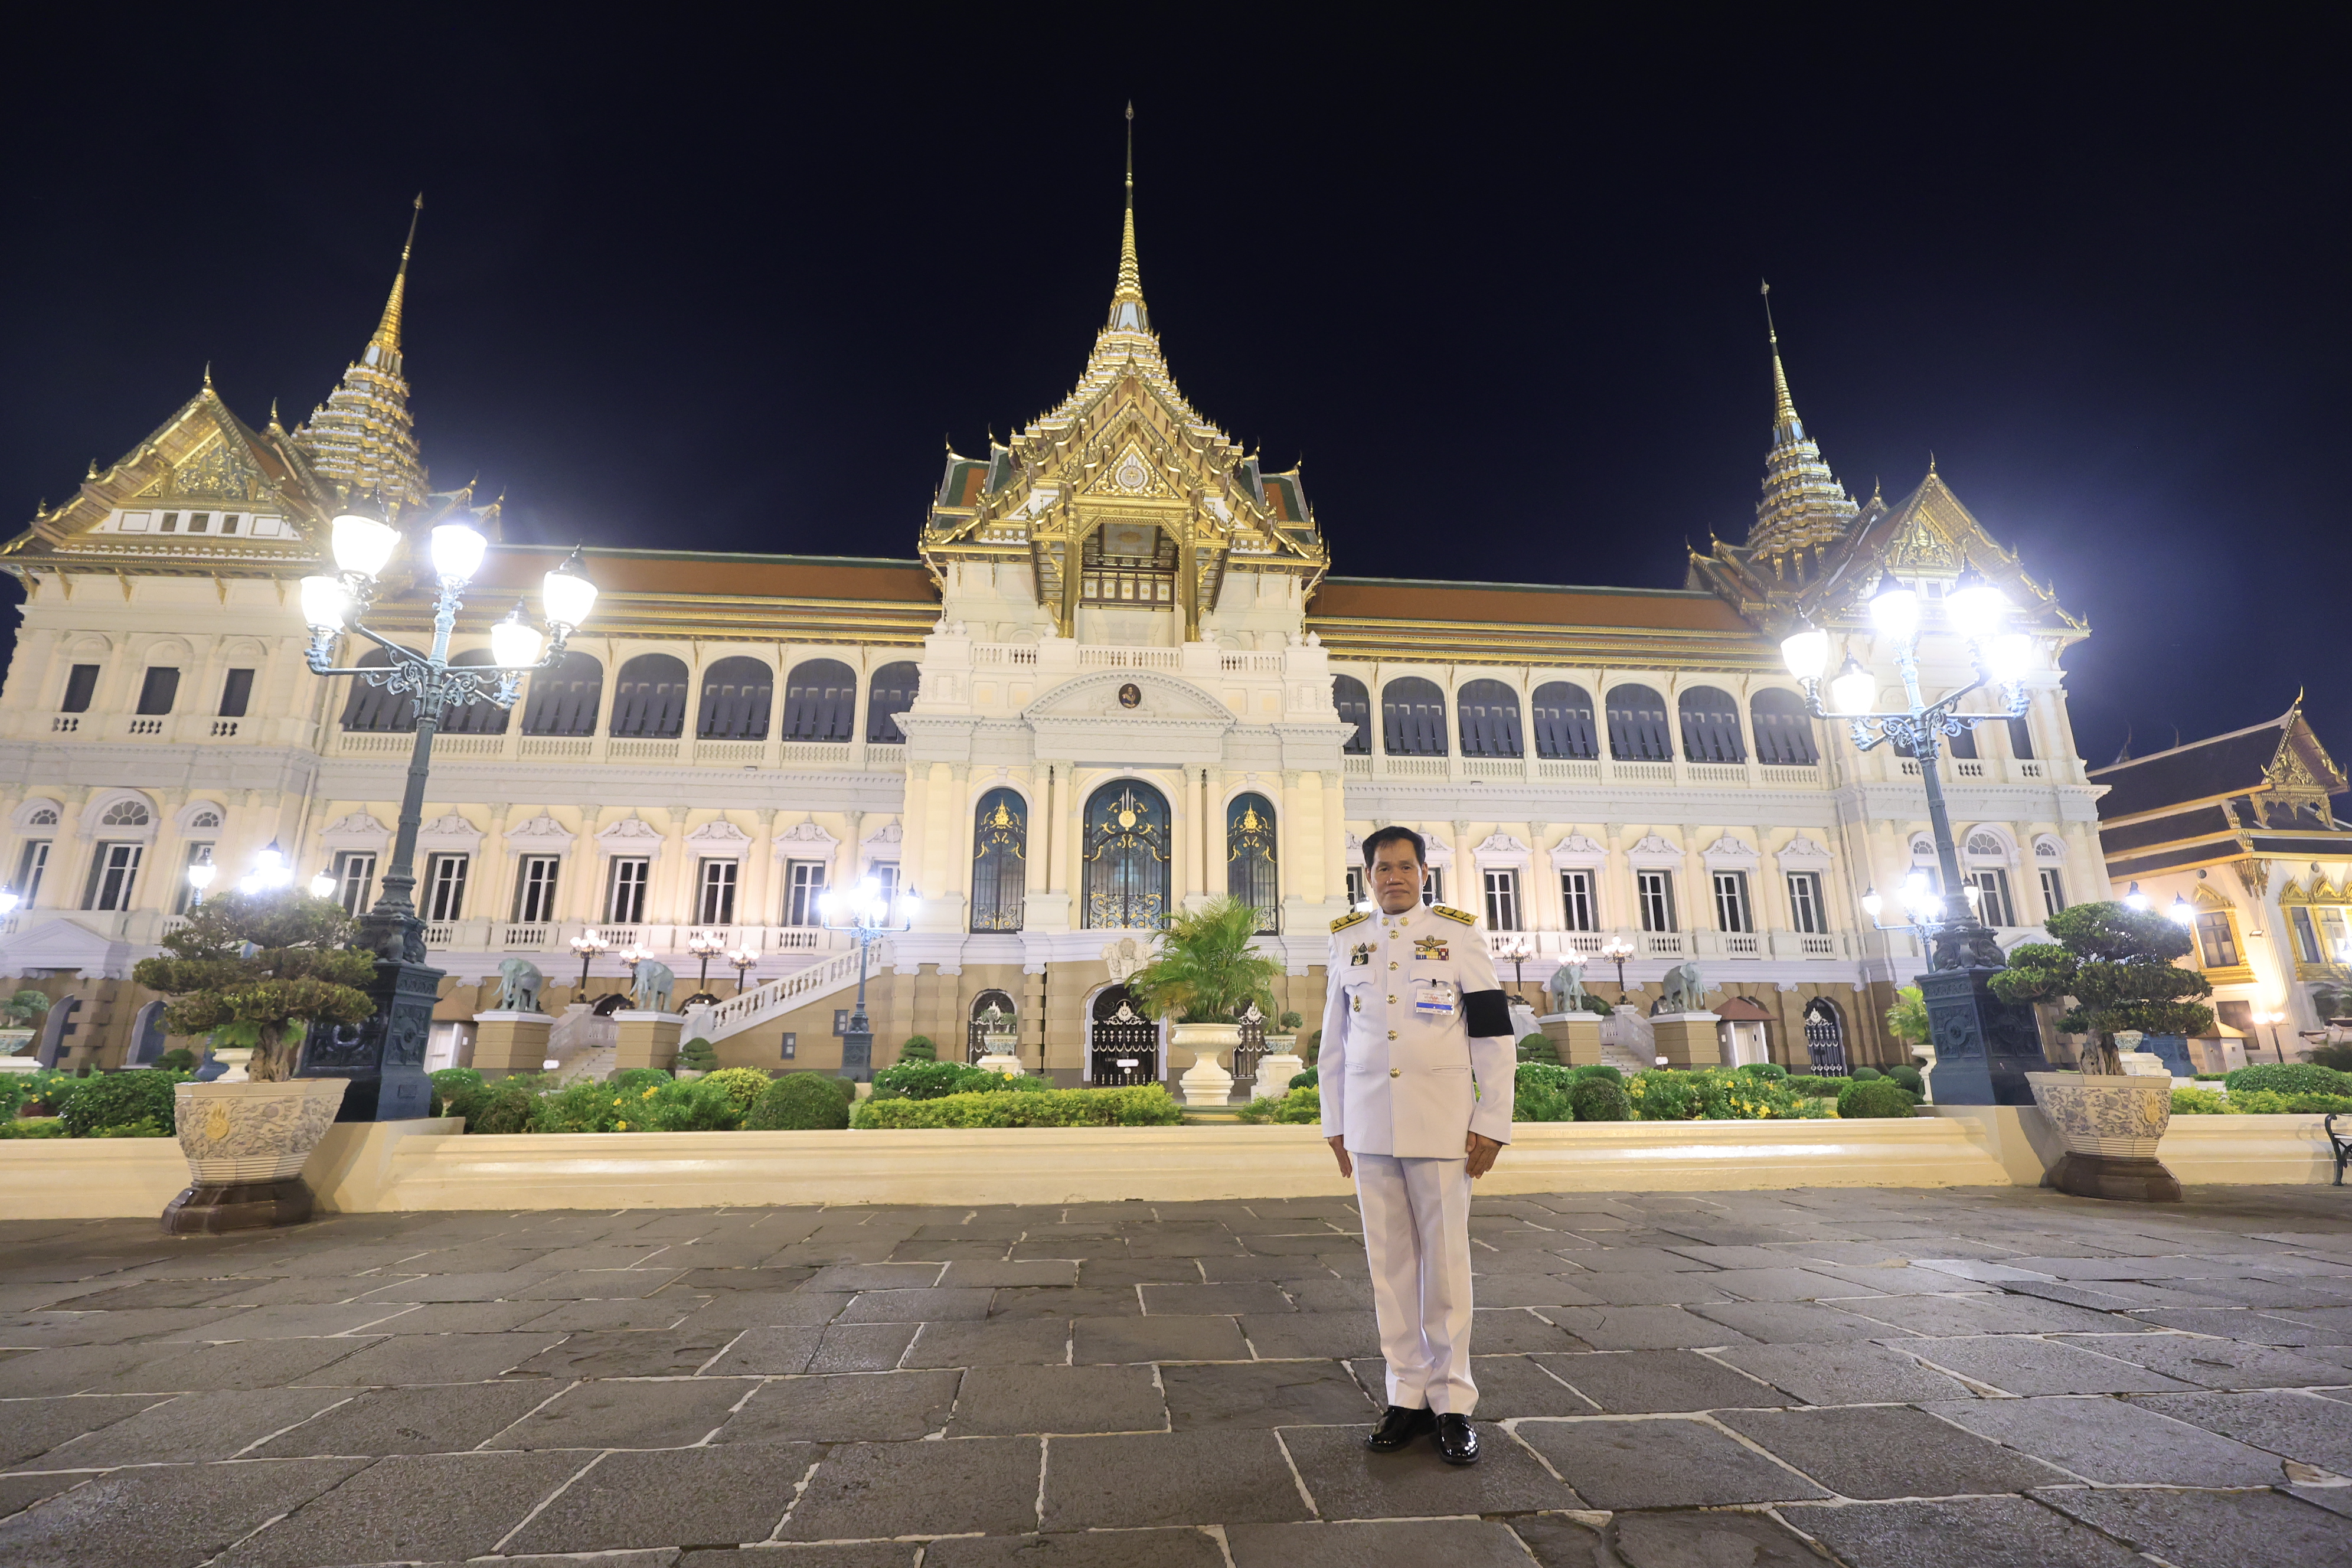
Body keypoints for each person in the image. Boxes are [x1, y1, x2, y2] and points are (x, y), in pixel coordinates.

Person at [1320, 825, 1514, 1465]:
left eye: (1406, 866)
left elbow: (1492, 1036)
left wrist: (1492, 1121)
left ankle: (1452, 1400)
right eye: (1383, 868)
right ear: (1368, 876)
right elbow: (1335, 1045)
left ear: (1424, 873)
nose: (1394, 876)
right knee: (1389, 1267)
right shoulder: (1348, 942)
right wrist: (1335, 1123)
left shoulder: (1459, 936)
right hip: (1372, 1126)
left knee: (1447, 1265)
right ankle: (1406, 1392)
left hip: (1440, 1124)